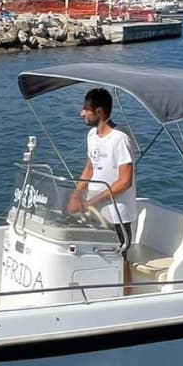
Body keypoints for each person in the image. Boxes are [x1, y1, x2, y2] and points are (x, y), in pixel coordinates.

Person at [65, 87, 137, 288]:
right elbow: (90, 167)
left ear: (99, 112)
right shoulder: (91, 135)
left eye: (86, 109)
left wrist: (91, 202)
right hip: (95, 211)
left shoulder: (119, 139)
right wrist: (76, 195)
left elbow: (125, 181)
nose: (82, 113)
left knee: (120, 258)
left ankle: (127, 297)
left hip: (117, 214)